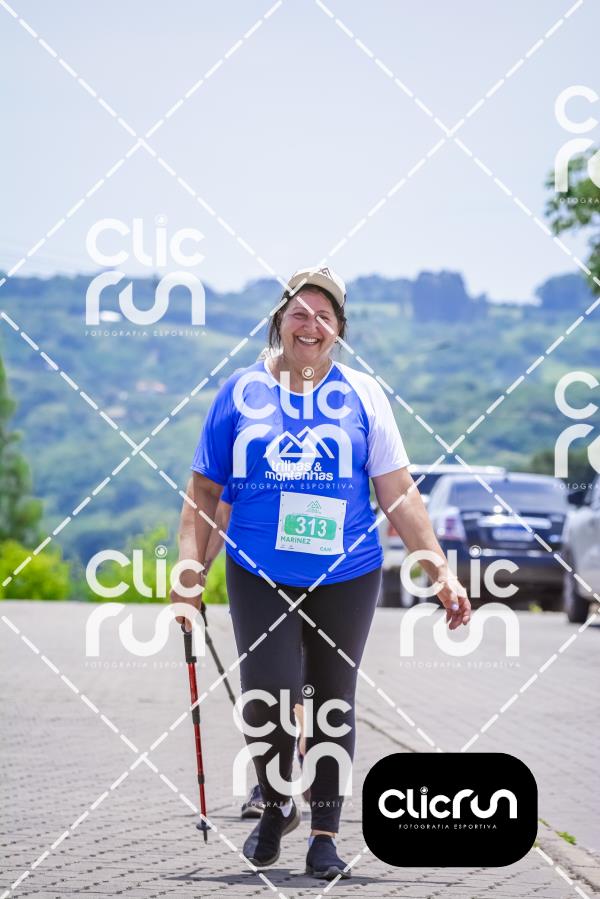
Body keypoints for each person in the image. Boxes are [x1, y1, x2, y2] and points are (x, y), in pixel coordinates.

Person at [171, 266, 470, 880]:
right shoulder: (241, 392)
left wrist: (440, 570)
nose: (311, 326)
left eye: (324, 317)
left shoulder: (364, 395)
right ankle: (277, 803)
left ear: (339, 330)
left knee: (333, 700)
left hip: (348, 573)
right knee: (269, 695)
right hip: (259, 570)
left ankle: (325, 837)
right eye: (299, 314)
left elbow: (398, 491)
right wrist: (189, 571)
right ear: (279, 322)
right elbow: (204, 490)